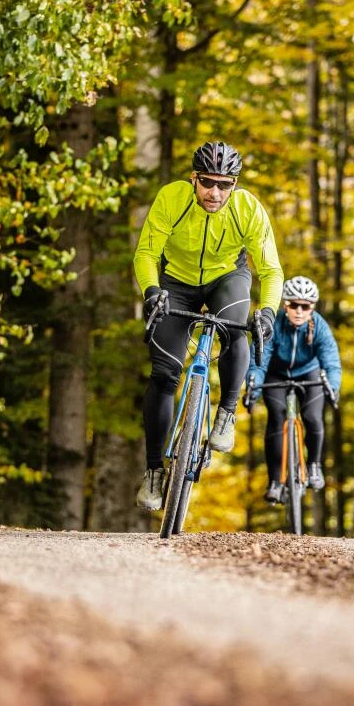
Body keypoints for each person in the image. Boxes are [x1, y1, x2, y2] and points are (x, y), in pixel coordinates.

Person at [133, 141, 284, 510]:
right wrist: (152, 290)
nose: (215, 192)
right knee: (165, 374)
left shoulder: (248, 209)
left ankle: (226, 414)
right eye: (207, 183)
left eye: (225, 184)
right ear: (193, 178)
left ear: (235, 184)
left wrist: (267, 311)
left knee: (236, 328)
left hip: (226, 278)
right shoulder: (172, 198)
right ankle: (154, 470)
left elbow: (270, 270)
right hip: (177, 283)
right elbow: (147, 253)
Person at [246, 276, 342, 503]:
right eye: (293, 305)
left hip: (309, 372)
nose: (299, 311)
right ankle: (275, 482)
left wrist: (333, 388)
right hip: (276, 374)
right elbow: (259, 359)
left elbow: (331, 362)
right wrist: (252, 387)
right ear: (285, 305)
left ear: (312, 308)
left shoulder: (319, 326)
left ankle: (314, 465)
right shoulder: (275, 325)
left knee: (312, 417)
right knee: (276, 418)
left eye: (305, 306)